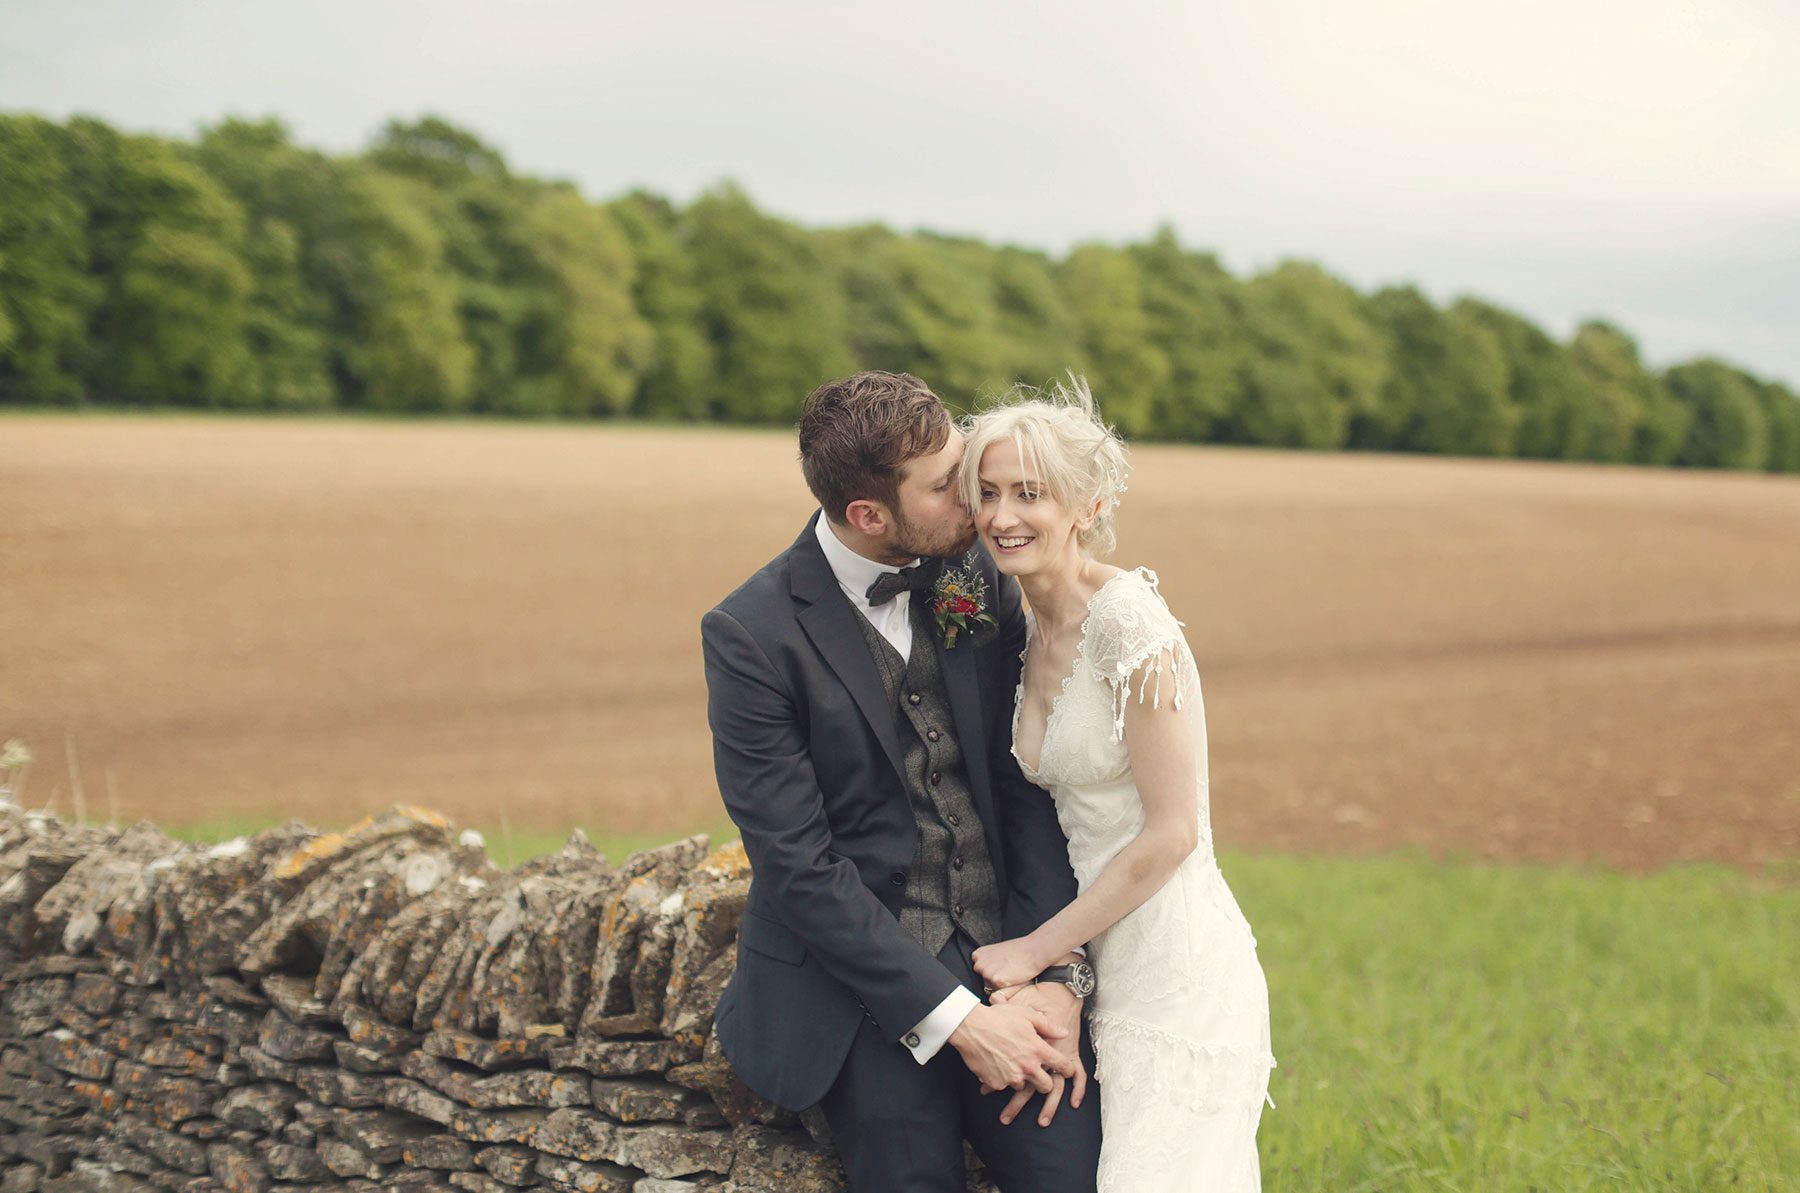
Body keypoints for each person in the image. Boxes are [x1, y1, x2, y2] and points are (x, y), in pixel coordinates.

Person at [701, 371, 1104, 1192]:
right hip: (860, 991)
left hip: (1009, 956)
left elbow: (1026, 788)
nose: (978, 502)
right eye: (949, 486)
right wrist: (958, 1022)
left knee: (1074, 1174)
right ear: (868, 516)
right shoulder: (751, 636)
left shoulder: (972, 575)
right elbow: (799, 866)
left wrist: (1056, 974)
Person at [962, 377, 1276, 1192]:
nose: (1002, 516)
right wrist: (1069, 970)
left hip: (1177, 969)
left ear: (1086, 503)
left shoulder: (1129, 624)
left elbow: (1172, 832)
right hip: (1101, 959)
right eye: (987, 492)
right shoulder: (1024, 623)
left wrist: (1035, 950)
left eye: (1030, 493)